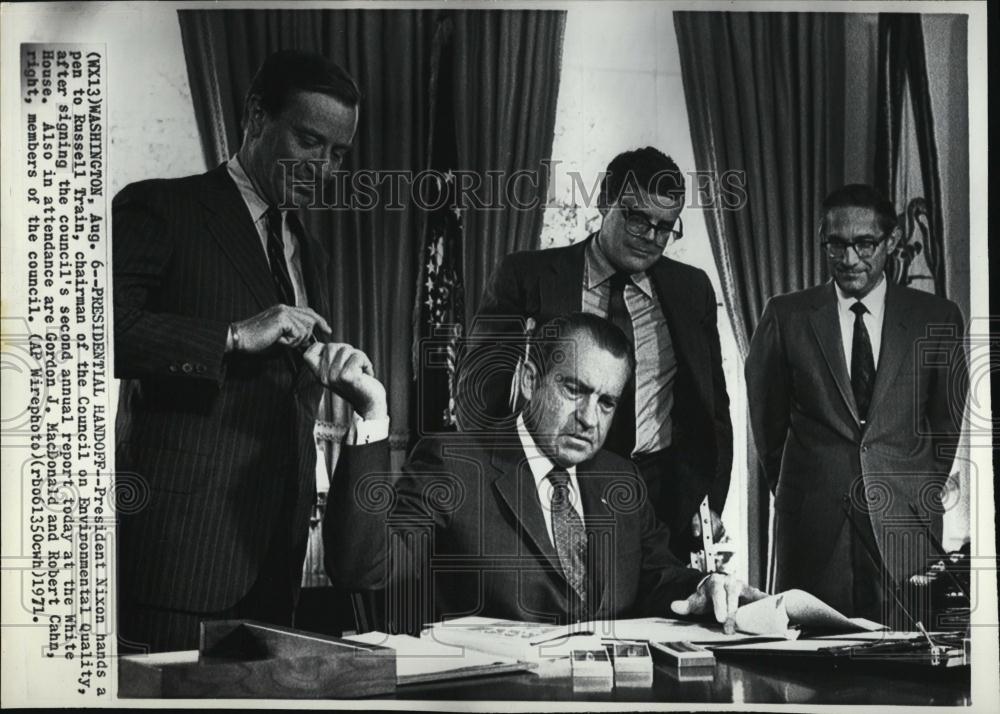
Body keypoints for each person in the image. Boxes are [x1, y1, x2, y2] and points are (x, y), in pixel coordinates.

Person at [113, 50, 360, 652]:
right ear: (255, 117)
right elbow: (89, 334)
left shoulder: (311, 252)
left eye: (338, 153)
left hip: (277, 557)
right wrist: (230, 335)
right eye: (309, 140)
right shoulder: (160, 207)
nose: (323, 167)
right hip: (179, 555)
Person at [317, 313, 761, 630]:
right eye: (574, 389)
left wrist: (706, 586)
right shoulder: (454, 463)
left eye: (607, 402)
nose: (590, 418)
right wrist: (372, 412)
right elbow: (361, 568)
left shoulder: (619, 479)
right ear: (530, 380)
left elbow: (656, 575)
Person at [456, 147, 732, 559]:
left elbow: (713, 409)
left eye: (665, 227)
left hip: (660, 498)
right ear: (606, 200)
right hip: (557, 484)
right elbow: (478, 396)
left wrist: (706, 500)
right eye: (638, 218)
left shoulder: (693, 290)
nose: (651, 238)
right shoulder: (526, 276)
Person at [745, 184, 967, 624]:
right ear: (824, 242)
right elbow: (767, 425)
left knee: (908, 665)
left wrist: (909, 488)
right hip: (812, 525)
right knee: (806, 668)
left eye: (864, 244)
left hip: (907, 527)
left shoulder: (936, 317)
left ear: (892, 241)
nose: (849, 260)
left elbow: (945, 423)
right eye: (837, 245)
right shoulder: (785, 315)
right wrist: (807, 487)